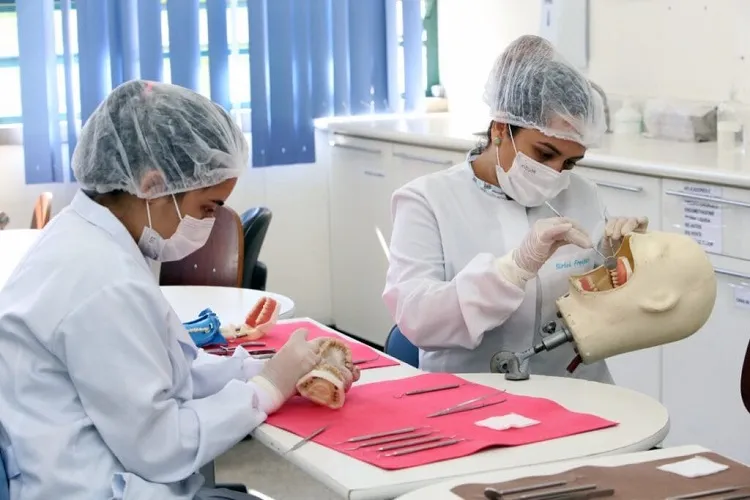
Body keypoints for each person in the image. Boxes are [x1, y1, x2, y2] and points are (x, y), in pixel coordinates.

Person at [0, 80, 320, 500]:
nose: (207, 226)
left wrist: (259, 370)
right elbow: (160, 447)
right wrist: (268, 390)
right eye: (207, 208)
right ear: (152, 186)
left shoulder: (89, 238)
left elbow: (169, 372)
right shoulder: (103, 281)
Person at [383, 35, 649, 379]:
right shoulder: (427, 201)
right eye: (544, 153)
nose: (555, 174)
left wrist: (621, 262)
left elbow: (609, 313)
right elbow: (418, 319)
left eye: (569, 163)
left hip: (577, 393)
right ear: (499, 129)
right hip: (470, 395)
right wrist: (512, 270)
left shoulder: (584, 194)